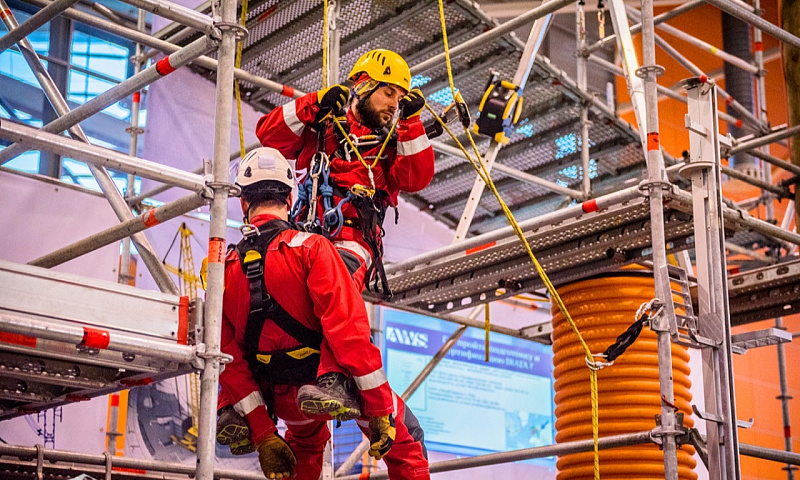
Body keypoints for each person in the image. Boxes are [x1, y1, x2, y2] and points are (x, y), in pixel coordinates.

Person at [217, 147, 429, 480]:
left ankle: (228, 413)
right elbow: (347, 331)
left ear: (244, 203)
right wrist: (378, 409)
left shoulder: (224, 271)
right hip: (329, 385)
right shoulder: (312, 248)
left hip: (280, 397)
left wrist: (262, 431)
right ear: (290, 198)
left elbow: (227, 358)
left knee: (305, 447)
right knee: (407, 443)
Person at [252, 49, 435, 420]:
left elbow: (417, 178)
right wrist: (314, 103)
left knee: (339, 292)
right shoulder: (323, 125)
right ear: (363, 86)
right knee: (250, 289)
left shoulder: (392, 143)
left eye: (401, 99)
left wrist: (412, 123)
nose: (395, 104)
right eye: (389, 93)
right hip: (302, 238)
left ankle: (333, 380)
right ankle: (242, 398)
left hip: (352, 242)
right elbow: (266, 133)